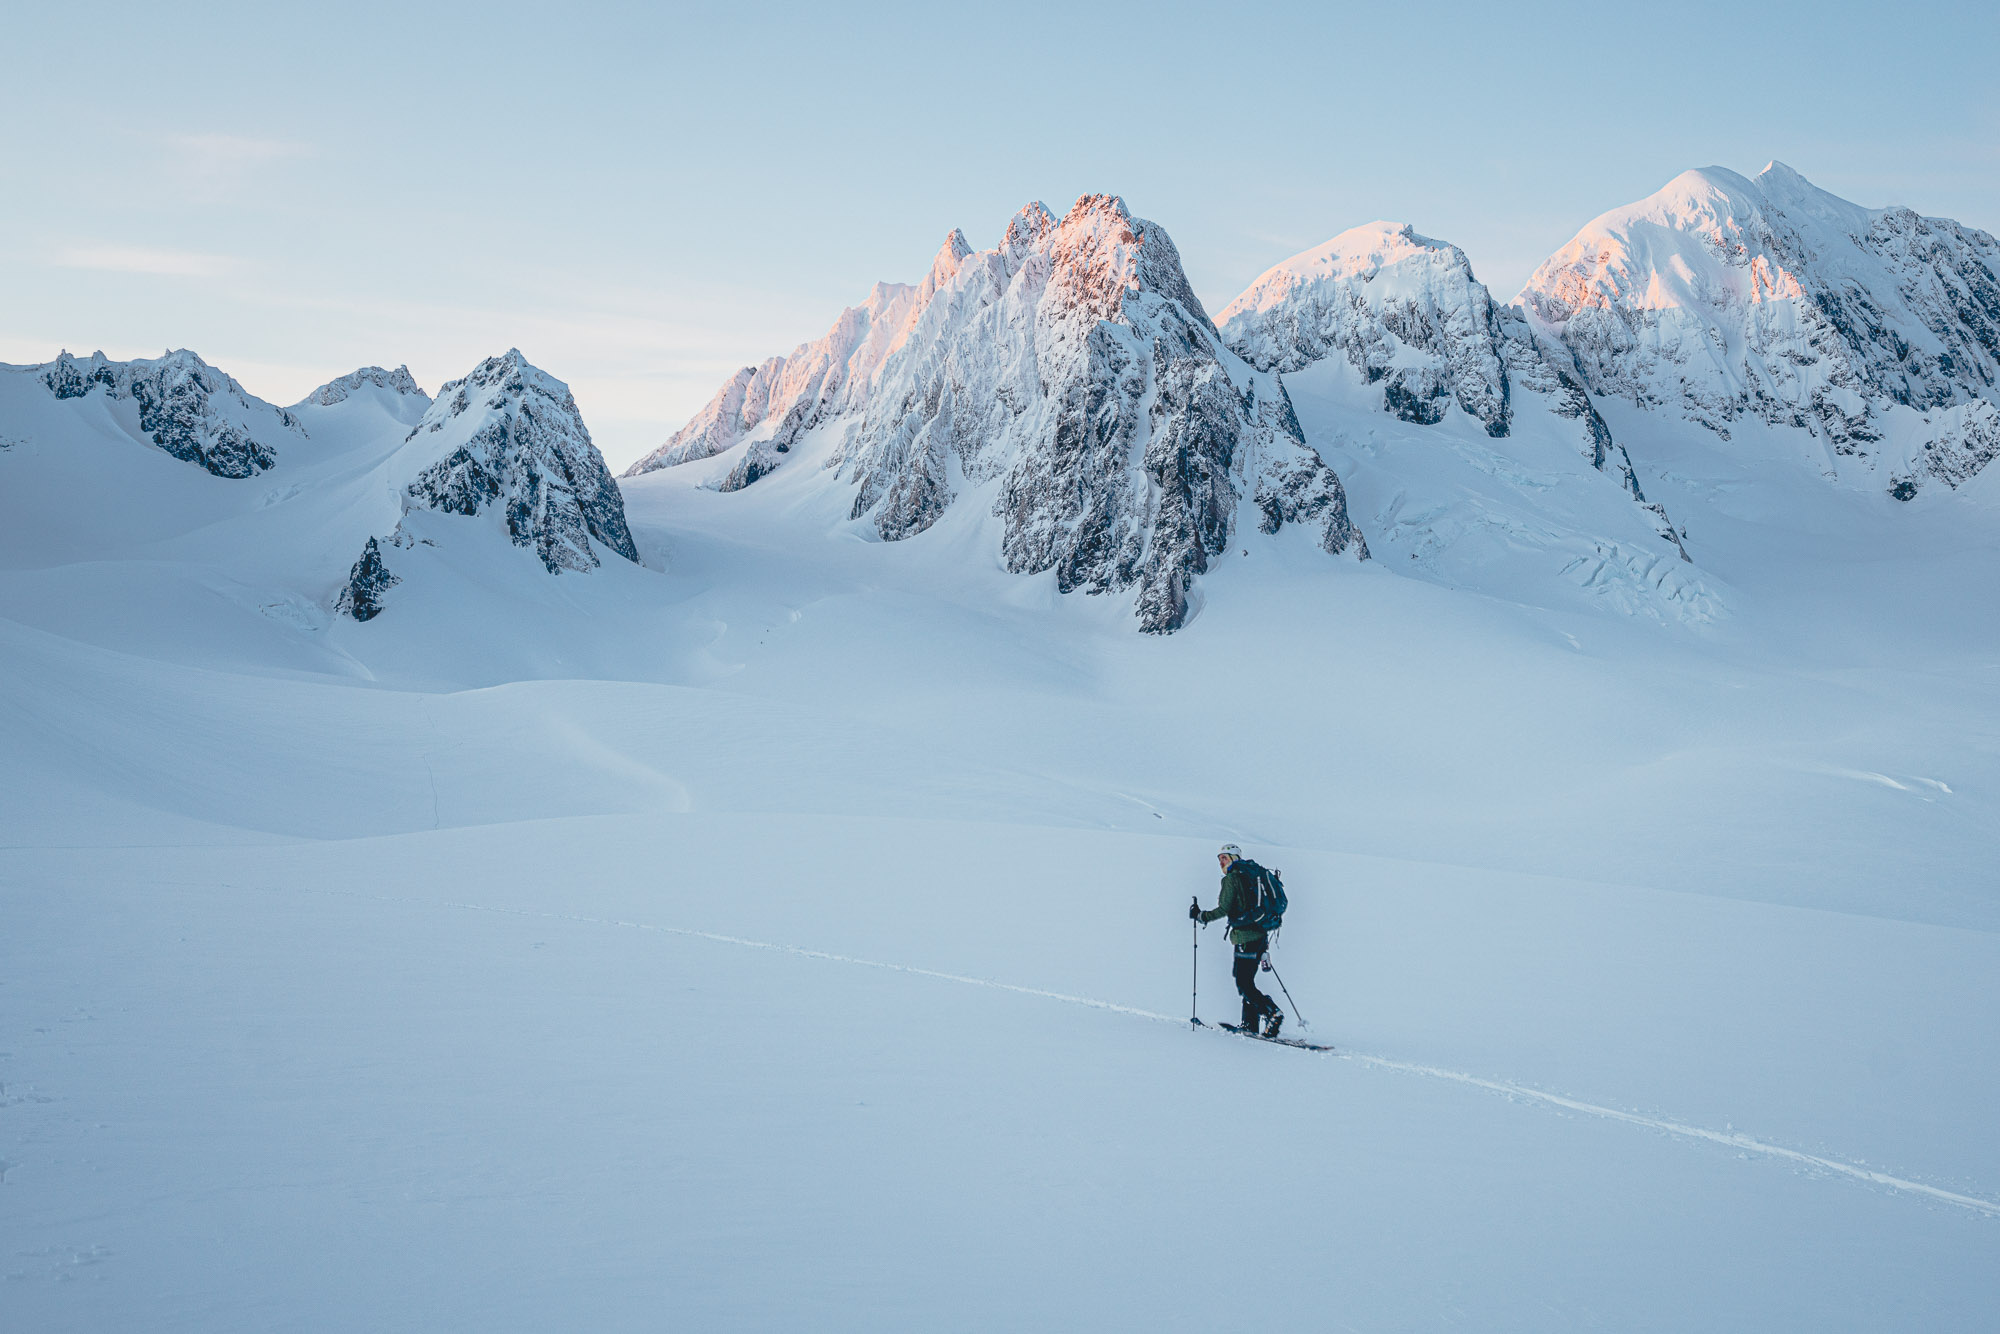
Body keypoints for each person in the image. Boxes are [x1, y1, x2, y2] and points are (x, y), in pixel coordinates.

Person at [1189, 843, 1283, 1037]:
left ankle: (1271, 1012)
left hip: (1245, 937)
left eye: (1225, 857)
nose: (1221, 862)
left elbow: (1223, 909)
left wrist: (1201, 916)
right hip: (1259, 935)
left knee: (1243, 982)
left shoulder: (1231, 879)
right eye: (1220, 858)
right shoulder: (1249, 876)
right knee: (1247, 980)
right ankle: (1249, 1024)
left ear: (1234, 858)